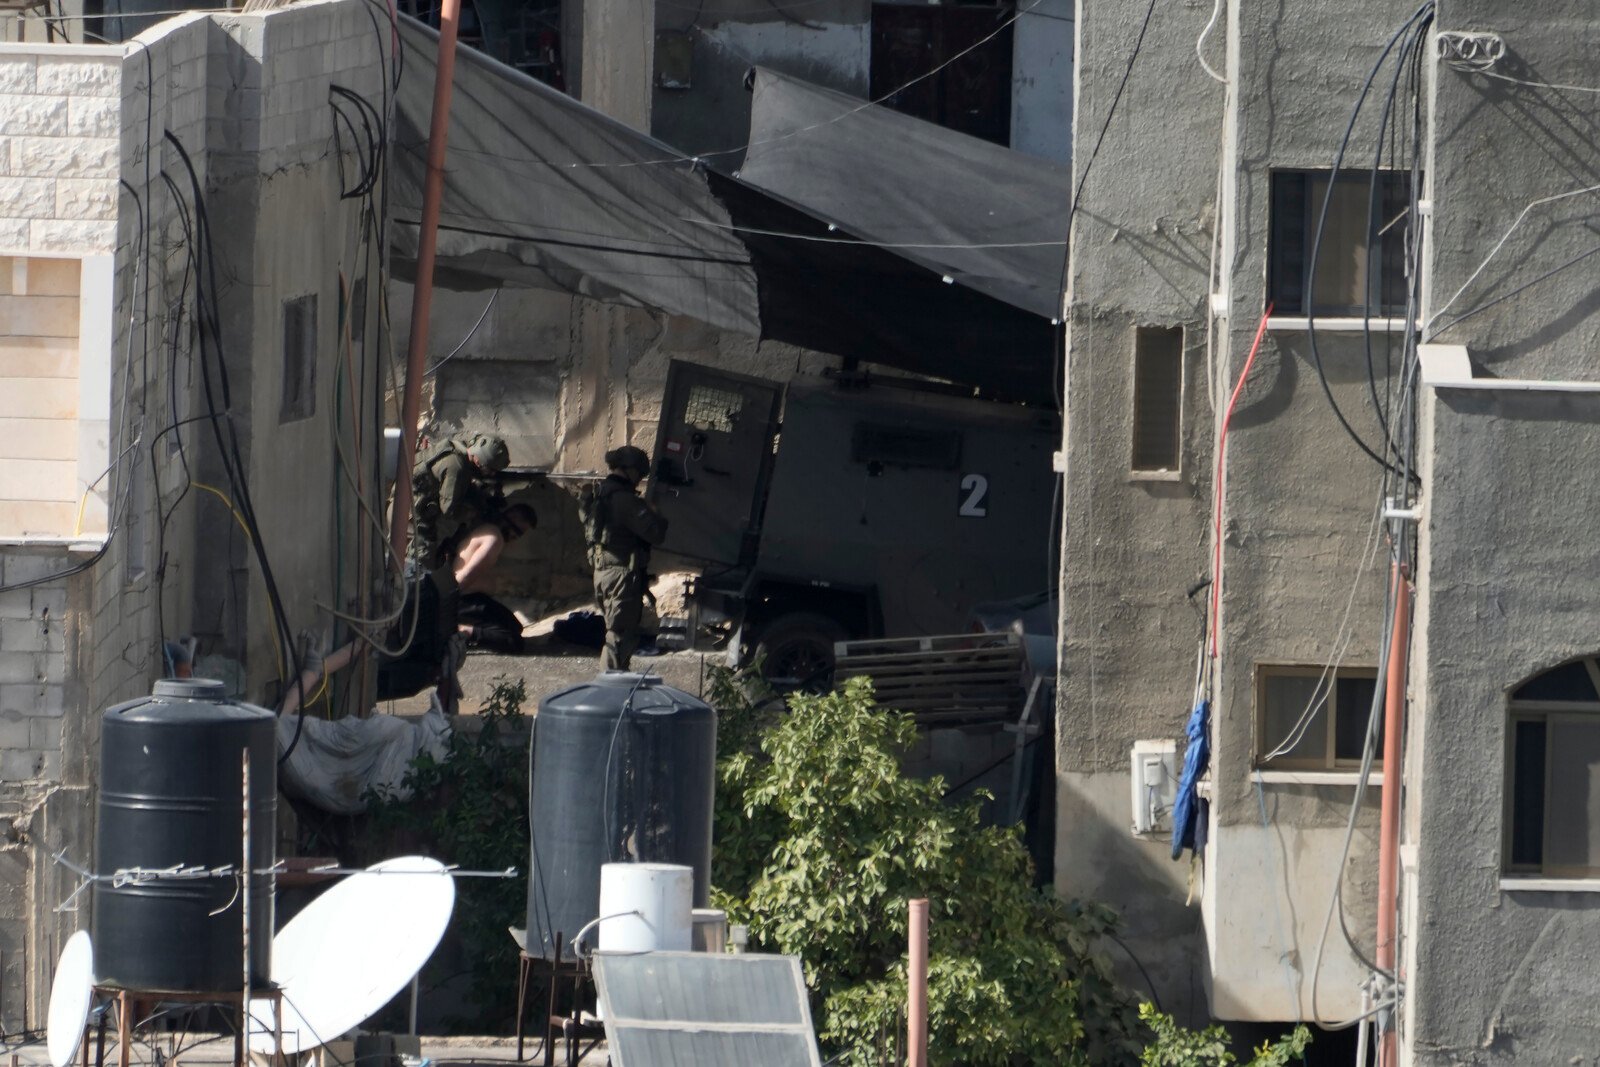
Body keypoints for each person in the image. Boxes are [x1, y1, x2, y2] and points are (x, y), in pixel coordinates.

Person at [583, 445, 668, 671]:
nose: (639, 479)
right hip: (622, 576)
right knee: (620, 635)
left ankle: (616, 678)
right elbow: (656, 534)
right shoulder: (625, 501)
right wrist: (655, 512)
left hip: (603, 573)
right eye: (639, 474)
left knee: (617, 631)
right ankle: (610, 685)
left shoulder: (599, 494)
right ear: (630, 470)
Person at [410, 431, 511, 567]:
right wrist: (470, 514)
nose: (491, 473)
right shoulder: (457, 466)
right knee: (426, 563)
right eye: (491, 469)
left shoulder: (458, 452)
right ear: (478, 461)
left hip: (413, 507)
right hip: (409, 513)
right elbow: (448, 510)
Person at [452, 503, 537, 653]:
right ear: (511, 518)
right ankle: (461, 631)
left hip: (472, 599)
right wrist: (444, 603)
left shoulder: (486, 531)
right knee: (512, 641)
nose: (515, 537)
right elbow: (466, 575)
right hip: (464, 599)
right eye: (517, 531)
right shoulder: (494, 537)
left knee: (515, 626)